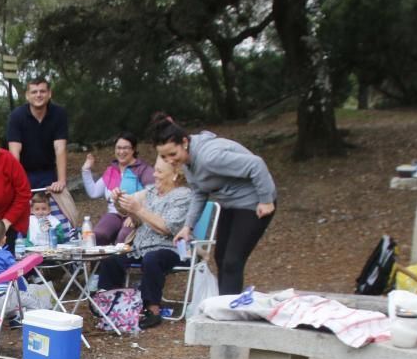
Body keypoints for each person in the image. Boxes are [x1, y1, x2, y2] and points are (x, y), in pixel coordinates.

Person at [150, 112, 276, 295]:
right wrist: (188, 227)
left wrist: (266, 200)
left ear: (184, 142)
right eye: (164, 157)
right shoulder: (187, 161)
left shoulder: (210, 157)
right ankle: (225, 305)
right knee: (221, 256)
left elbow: (256, 164)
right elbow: (199, 192)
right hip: (231, 204)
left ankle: (227, 316)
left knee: (233, 261)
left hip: (255, 204)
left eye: (172, 154)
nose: (170, 160)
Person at [95, 157, 191, 330]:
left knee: (152, 259)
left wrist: (138, 209)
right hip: (141, 248)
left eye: (159, 171)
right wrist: (119, 201)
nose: (154, 174)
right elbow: (132, 214)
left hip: (172, 249)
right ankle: (106, 300)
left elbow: (167, 228)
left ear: (175, 175)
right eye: (155, 169)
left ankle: (152, 308)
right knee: (112, 258)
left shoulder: (183, 195)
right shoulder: (151, 192)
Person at [81, 132, 155, 245]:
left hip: (136, 214)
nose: (121, 152)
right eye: (118, 148)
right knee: (97, 236)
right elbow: (94, 193)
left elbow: (154, 194)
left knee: (124, 237)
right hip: (114, 214)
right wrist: (86, 170)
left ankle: (121, 262)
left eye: (125, 148)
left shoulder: (143, 170)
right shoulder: (111, 170)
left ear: (133, 149)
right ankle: (99, 263)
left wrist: (136, 215)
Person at [6, 77, 69, 193]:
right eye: (34, 92)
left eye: (42, 91)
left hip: (48, 171)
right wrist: (16, 181)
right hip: (24, 172)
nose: (38, 95)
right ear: (27, 95)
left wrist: (61, 180)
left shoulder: (59, 114)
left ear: (49, 94)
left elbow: (60, 148)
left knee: (59, 207)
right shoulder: (17, 116)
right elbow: (14, 152)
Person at [0, 218, 45, 319]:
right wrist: (23, 291)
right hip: (1, 301)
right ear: (4, 239)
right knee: (30, 300)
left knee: (9, 292)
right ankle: (35, 326)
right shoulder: (5, 255)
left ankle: (15, 319)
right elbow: (17, 275)